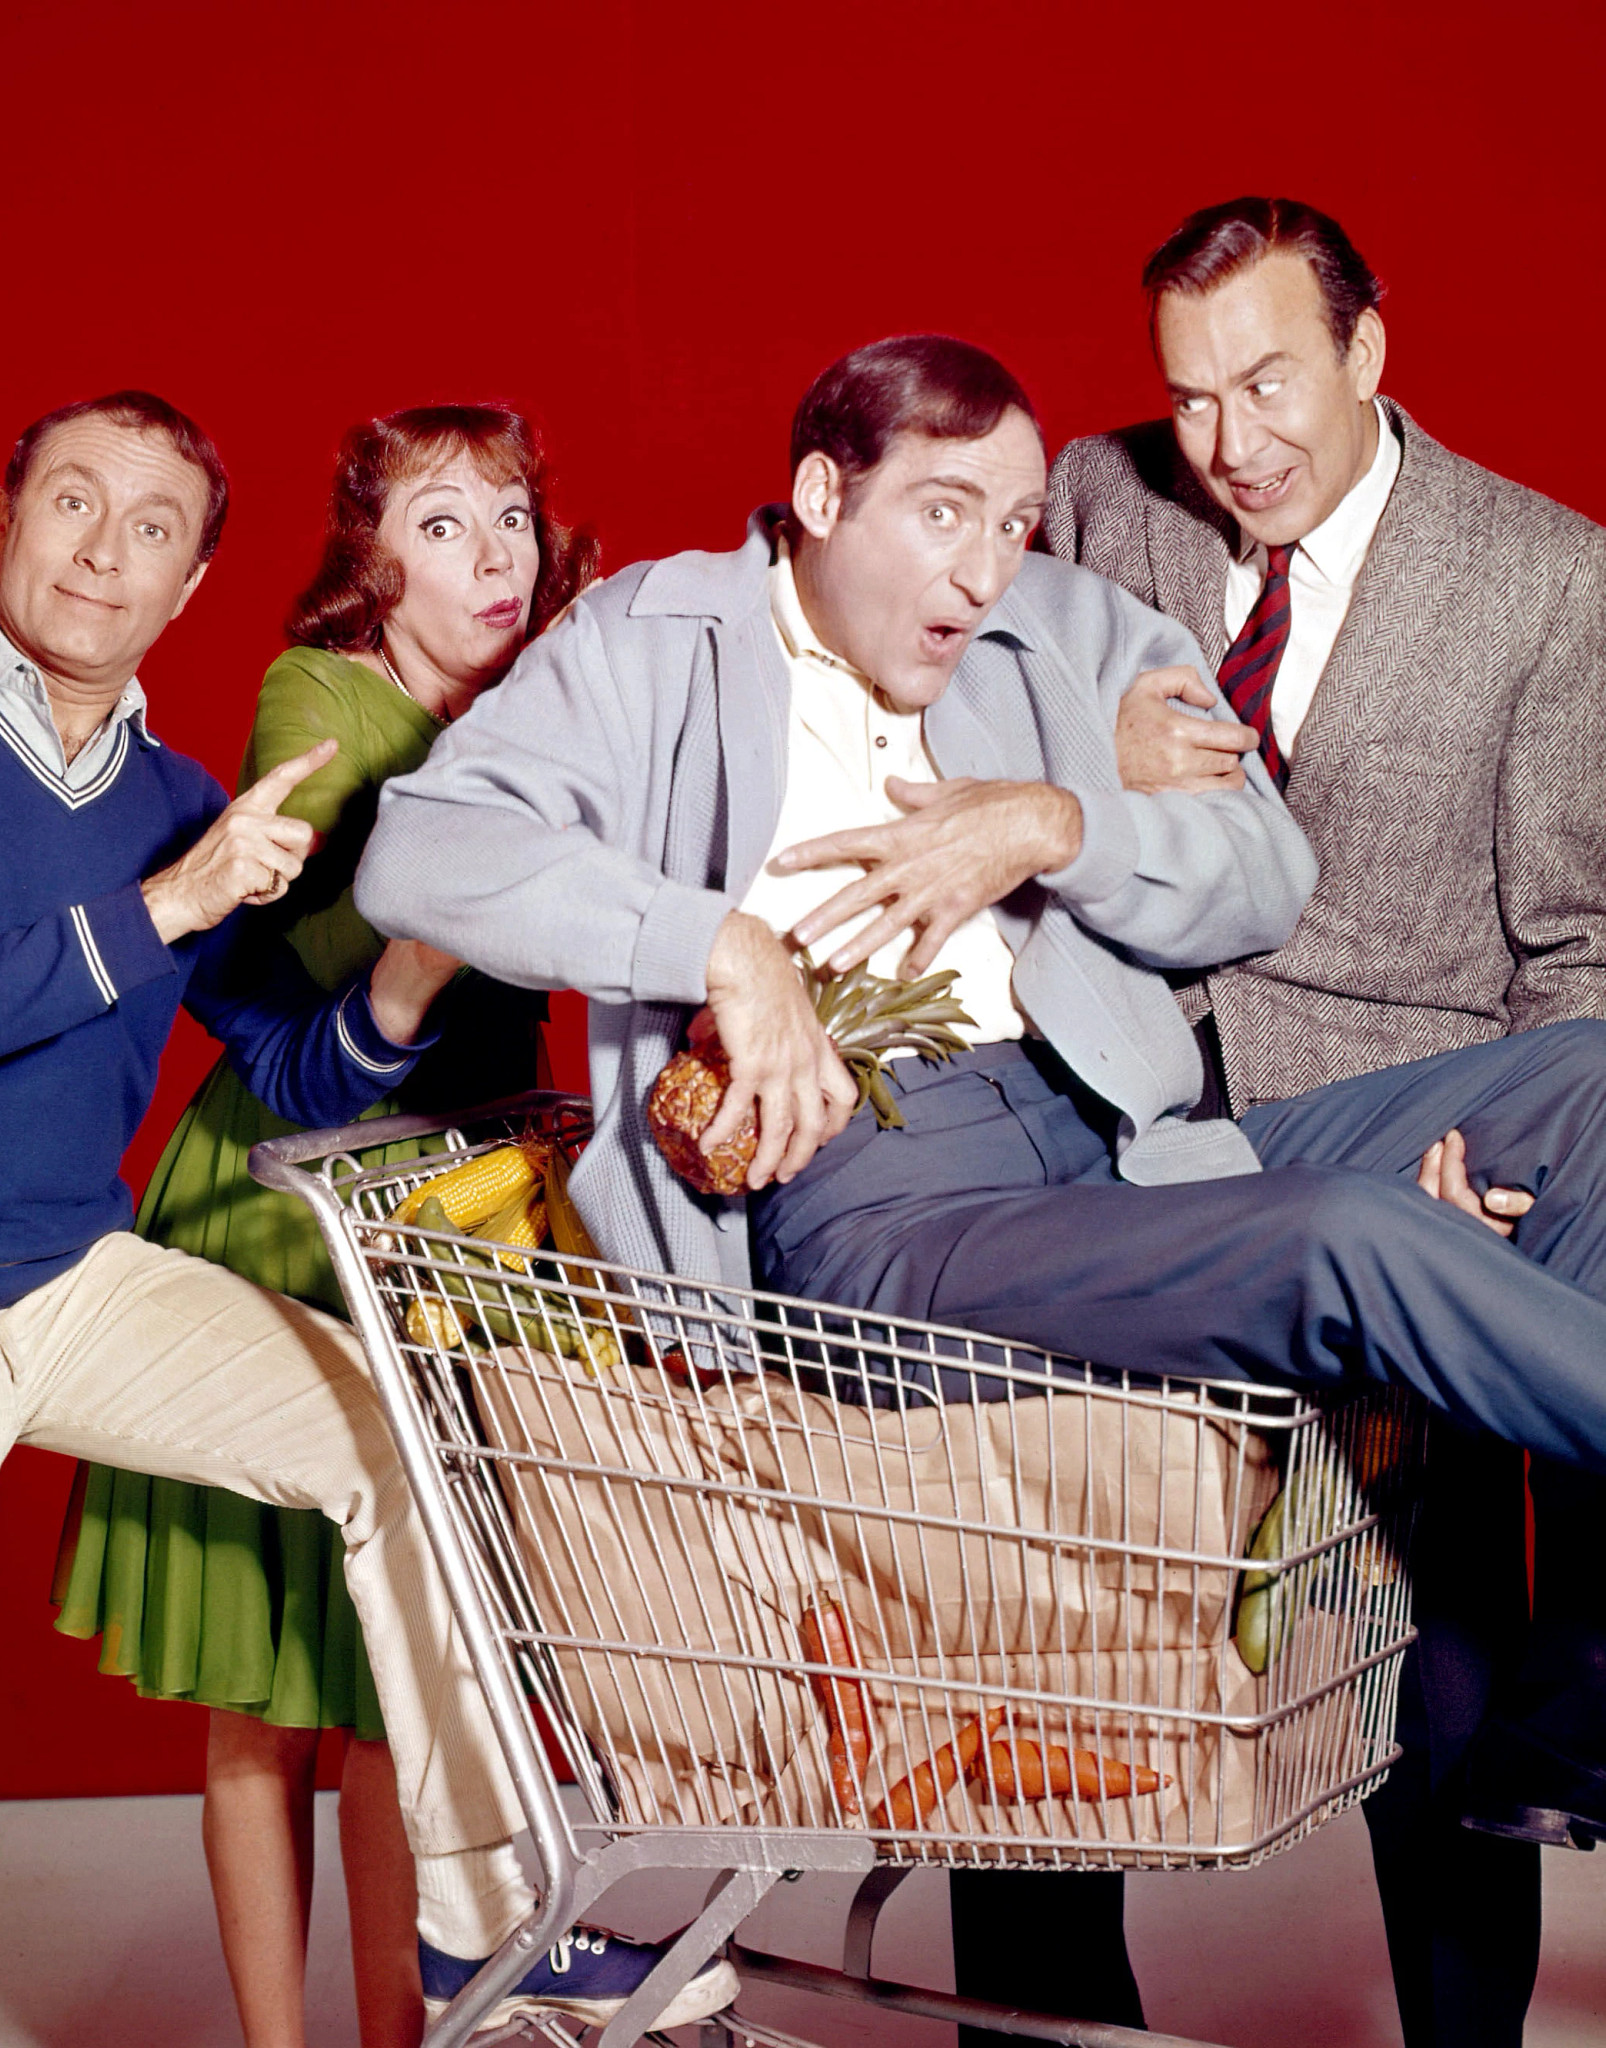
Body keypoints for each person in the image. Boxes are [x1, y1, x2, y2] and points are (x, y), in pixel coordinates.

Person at [358, 333, 1606, 2041]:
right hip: (881, 1207)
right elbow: (423, 847)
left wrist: (1051, 822)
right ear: (817, 496)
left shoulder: (1058, 632)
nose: (984, 564)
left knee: (1588, 1084)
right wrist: (721, 946)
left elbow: (1261, 875)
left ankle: (1591, 1666)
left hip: (1116, 1139)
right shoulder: (647, 641)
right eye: (942, 512)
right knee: (1350, 1240)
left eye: (1016, 520)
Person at [0, 389, 735, 2048]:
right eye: (74, 502)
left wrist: (415, 953)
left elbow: (292, 1062)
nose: (102, 551)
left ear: (191, 586)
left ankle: (472, 1936)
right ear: (6, 516)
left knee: (391, 1449)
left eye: (152, 530)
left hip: (71, 1283)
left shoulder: (173, 796)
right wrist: (173, 901)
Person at [1042, 196, 1606, 2048]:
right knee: (1039, 1643)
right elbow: (918, 703)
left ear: (1369, 350)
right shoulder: (1095, 500)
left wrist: (1485, 1164)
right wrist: (1077, 766)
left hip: (1390, 1130)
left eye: (1270, 380)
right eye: (1193, 394)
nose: (1233, 442)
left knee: (1429, 1672)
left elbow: (1579, 947)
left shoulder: (1543, 579)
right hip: (1104, 1128)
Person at [52, 403, 596, 2048]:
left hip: (466, 1201)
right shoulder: (325, 695)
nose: (490, 553)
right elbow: (375, 937)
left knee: (411, 1688)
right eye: (441, 524)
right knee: (271, 1688)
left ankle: (408, 2033)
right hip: (302, 1202)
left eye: (507, 514)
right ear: (371, 563)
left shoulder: (526, 703)